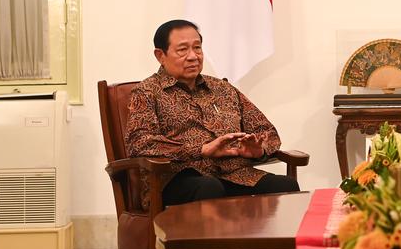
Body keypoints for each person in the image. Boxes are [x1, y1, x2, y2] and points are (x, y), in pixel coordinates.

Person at [126, 19, 299, 206]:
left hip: (234, 174)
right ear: (160, 55)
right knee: (209, 187)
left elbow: (267, 131)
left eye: (197, 48)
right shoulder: (147, 92)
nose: (193, 56)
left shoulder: (222, 88)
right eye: (183, 50)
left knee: (285, 186)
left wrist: (259, 150)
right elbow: (140, 143)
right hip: (177, 178)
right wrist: (202, 150)